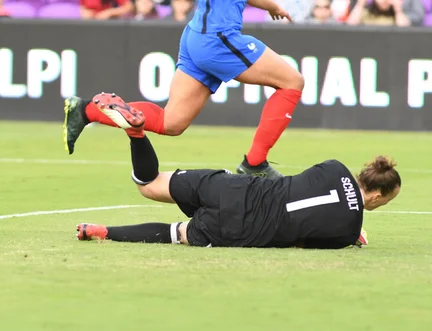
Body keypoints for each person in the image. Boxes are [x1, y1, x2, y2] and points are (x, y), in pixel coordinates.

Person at [64, 0, 303, 179]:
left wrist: (271, 5)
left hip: (199, 36)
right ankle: (254, 163)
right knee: (292, 81)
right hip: (218, 36)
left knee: (171, 123)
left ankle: (85, 111)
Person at [74, 97, 401, 249]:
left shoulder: (334, 167)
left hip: (230, 187)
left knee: (149, 184)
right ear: (376, 195)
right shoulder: (346, 231)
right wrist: (353, 233)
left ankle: (136, 133)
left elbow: (302, 189)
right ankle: (105, 231)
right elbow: (301, 241)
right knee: (177, 233)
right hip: (239, 227)